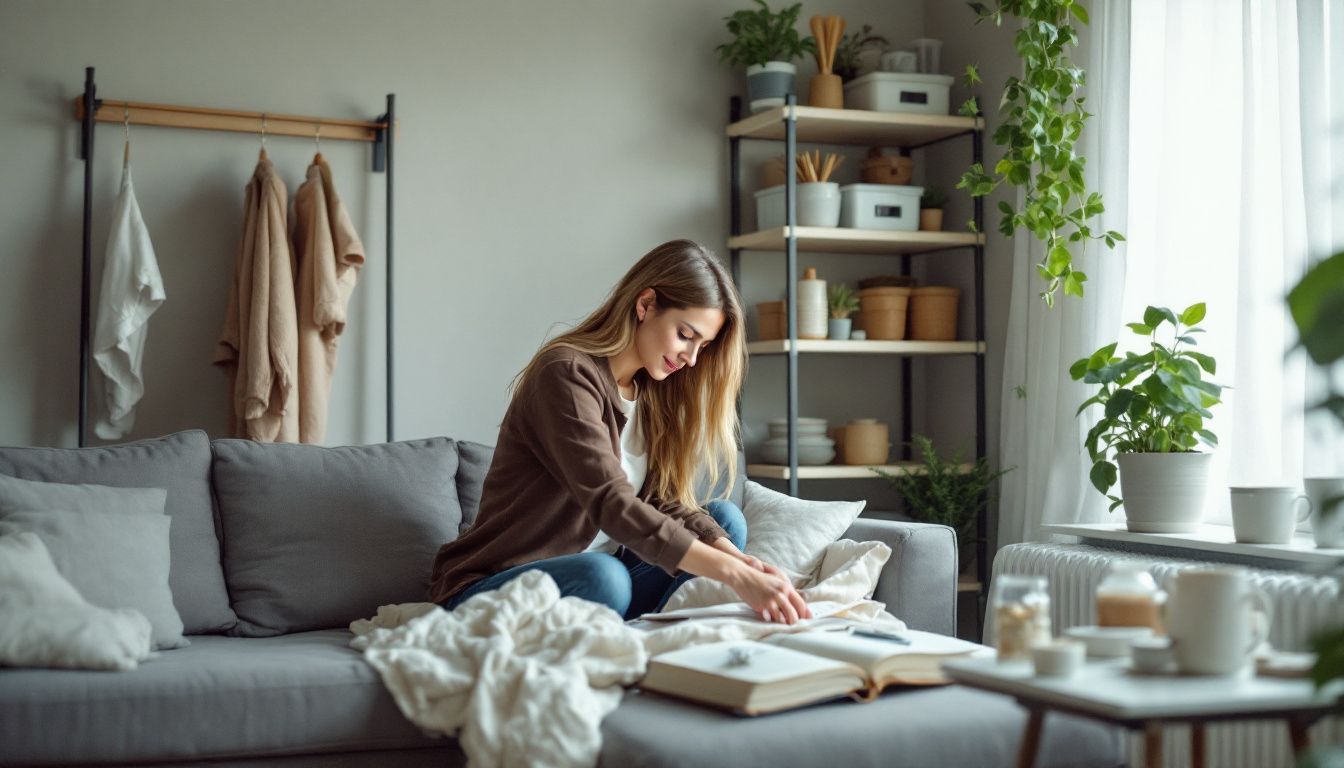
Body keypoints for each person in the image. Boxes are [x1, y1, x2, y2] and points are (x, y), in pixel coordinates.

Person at [428, 239, 811, 624]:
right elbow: (613, 505)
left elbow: (661, 501)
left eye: (703, 346)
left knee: (725, 522)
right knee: (604, 577)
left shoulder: (652, 391)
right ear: (645, 305)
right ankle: (624, 621)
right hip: (497, 585)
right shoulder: (565, 374)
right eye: (685, 335)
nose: (691, 359)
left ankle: (629, 625)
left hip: (606, 579)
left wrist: (746, 564)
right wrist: (734, 574)